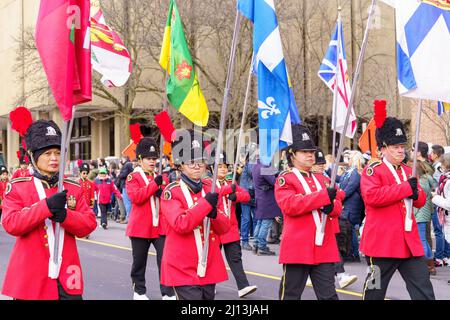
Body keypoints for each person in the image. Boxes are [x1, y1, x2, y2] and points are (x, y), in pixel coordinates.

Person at [1, 120, 97, 300]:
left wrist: (66, 216)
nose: (54, 158)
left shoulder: (73, 187)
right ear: (33, 156)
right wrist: (45, 207)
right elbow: (11, 224)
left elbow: (89, 224)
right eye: (47, 153)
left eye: (58, 153)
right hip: (31, 274)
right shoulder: (18, 187)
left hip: (68, 273)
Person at [360, 105, 435, 300]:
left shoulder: (406, 170)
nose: (401, 150)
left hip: (408, 242)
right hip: (381, 245)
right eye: (395, 147)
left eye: (402, 146)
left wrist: (415, 192)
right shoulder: (373, 170)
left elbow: (420, 201)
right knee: (374, 291)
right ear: (383, 148)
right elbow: (372, 197)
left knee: (424, 290)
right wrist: (405, 189)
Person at [275, 124, 345, 300]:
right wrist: (323, 198)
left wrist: (331, 207)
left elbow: (337, 206)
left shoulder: (322, 179)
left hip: (324, 247)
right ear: (292, 154)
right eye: (304, 152)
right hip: (298, 247)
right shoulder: (286, 178)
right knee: (290, 295)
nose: (310, 155)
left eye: (312, 152)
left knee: (329, 296)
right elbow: (290, 205)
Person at [160, 129, 231, 300]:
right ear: (181, 164)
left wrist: (215, 215)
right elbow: (181, 223)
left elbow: (225, 228)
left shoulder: (210, 188)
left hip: (208, 264)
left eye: (200, 161)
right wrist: (206, 204)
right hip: (182, 267)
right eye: (191, 161)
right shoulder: (172, 192)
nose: (197, 165)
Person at [125, 136, 175, 300]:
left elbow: (169, 198)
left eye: (154, 158)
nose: (152, 162)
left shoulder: (160, 176)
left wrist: (163, 193)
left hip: (160, 226)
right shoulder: (133, 177)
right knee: (139, 262)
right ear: (140, 159)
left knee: (165, 260)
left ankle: (167, 292)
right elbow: (136, 198)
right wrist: (155, 185)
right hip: (140, 227)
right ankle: (139, 291)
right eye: (148, 158)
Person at [216, 152, 258, 298]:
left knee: (235, 258)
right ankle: (209, 284)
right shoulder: (207, 183)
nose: (223, 169)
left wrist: (236, 196)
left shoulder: (231, 183)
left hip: (230, 227)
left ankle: (243, 286)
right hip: (214, 229)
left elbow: (246, 195)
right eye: (220, 166)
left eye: (225, 167)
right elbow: (211, 196)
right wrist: (227, 191)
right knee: (212, 259)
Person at [251, 158, 281, 256]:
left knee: (260, 222)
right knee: (265, 223)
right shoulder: (264, 167)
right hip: (266, 198)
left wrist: (277, 172)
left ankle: (256, 244)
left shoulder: (256, 165)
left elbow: (274, 172)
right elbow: (274, 182)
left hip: (260, 197)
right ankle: (262, 247)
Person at [413, 161, 437, 275]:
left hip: (420, 214)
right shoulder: (427, 179)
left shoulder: (420, 183)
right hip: (426, 212)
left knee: (422, 240)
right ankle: (429, 264)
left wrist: (414, 214)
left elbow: (418, 201)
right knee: (424, 240)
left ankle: (427, 265)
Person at [431, 153, 450, 267]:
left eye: (442, 164)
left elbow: (448, 203)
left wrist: (435, 198)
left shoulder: (448, 181)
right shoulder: (445, 179)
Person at [238, 154, 257, 251]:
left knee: (256, 218)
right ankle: (244, 241)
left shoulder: (253, 163)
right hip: (246, 194)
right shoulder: (250, 164)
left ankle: (255, 241)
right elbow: (254, 173)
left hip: (252, 194)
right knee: (246, 218)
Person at [116, 157, 134, 223]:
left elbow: (123, 175)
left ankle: (128, 218)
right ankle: (128, 217)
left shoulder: (127, 165)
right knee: (128, 202)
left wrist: (119, 174)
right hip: (128, 185)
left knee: (127, 202)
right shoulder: (130, 164)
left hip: (125, 185)